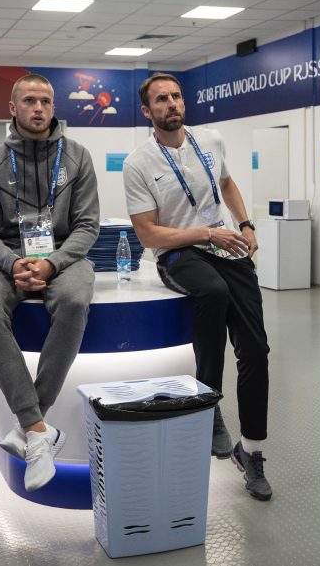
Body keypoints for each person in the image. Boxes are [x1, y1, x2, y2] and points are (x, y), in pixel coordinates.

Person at [121, 73, 272, 501]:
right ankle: (208, 405)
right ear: (148, 112)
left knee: (256, 351)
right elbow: (149, 235)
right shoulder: (139, 163)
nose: (172, 104)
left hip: (226, 243)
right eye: (161, 100)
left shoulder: (212, 140)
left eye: (176, 96)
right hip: (179, 252)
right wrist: (207, 235)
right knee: (212, 292)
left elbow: (226, 183)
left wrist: (243, 223)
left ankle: (253, 451)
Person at [0, 74, 100, 492]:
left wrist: (52, 264)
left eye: (45, 101)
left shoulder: (78, 157)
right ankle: (39, 428)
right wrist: (12, 263)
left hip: (64, 254)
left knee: (76, 301)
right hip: (9, 255)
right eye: (29, 100)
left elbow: (87, 225)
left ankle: (30, 423)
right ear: (13, 108)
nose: (39, 108)